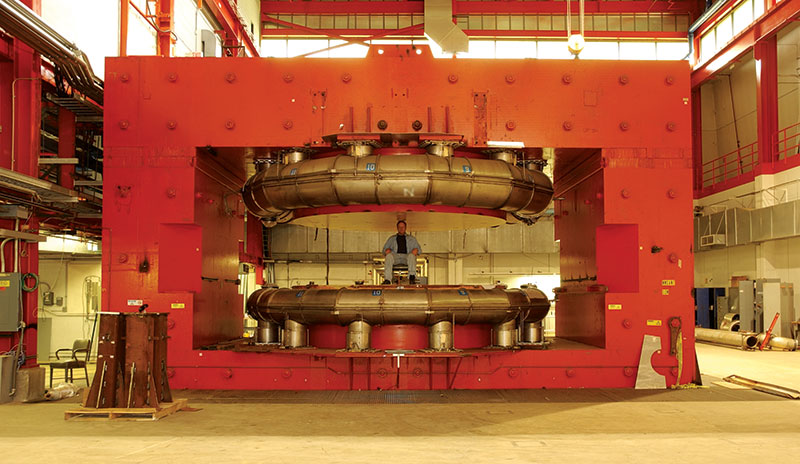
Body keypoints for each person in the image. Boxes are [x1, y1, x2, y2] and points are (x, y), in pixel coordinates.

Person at [382, 220, 421, 284]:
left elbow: (419, 250)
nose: (401, 228)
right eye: (400, 227)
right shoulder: (391, 239)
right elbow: (384, 251)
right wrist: (386, 251)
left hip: (407, 257)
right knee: (389, 256)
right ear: (397, 228)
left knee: (411, 256)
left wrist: (416, 250)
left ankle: (412, 277)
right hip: (396, 257)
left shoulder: (412, 239)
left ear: (405, 228)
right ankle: (387, 279)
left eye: (403, 227)